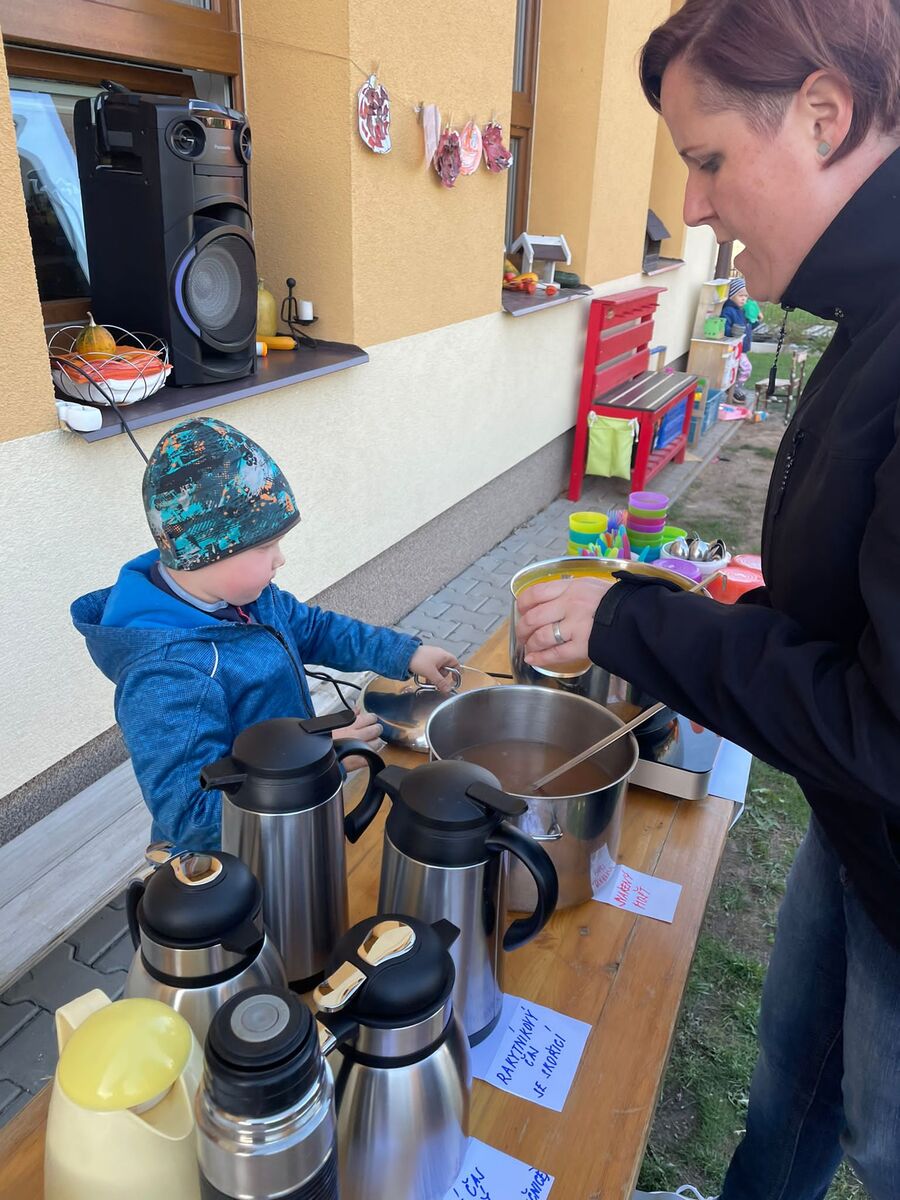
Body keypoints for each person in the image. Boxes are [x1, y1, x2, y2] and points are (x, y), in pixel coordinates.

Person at [517, 1, 900, 1197]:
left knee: (885, 1144)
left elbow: (886, 728)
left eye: (708, 159)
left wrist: (634, 622)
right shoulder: (871, 308)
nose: (689, 207)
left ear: (825, 115)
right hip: (862, 832)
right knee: (792, 1091)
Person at [72, 417, 457, 850]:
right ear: (205, 551)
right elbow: (192, 817)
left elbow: (314, 629)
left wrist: (404, 653)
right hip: (242, 862)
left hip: (295, 808)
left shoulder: (249, 599)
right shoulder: (166, 676)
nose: (280, 559)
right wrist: (320, 766)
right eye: (264, 547)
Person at [720, 275, 757, 397]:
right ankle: (735, 388)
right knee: (746, 368)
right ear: (731, 296)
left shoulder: (741, 310)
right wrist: (732, 332)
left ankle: (734, 387)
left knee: (739, 369)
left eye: (746, 296)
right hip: (734, 347)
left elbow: (747, 327)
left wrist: (755, 320)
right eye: (740, 295)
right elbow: (724, 327)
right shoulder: (728, 310)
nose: (744, 299)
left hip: (741, 348)